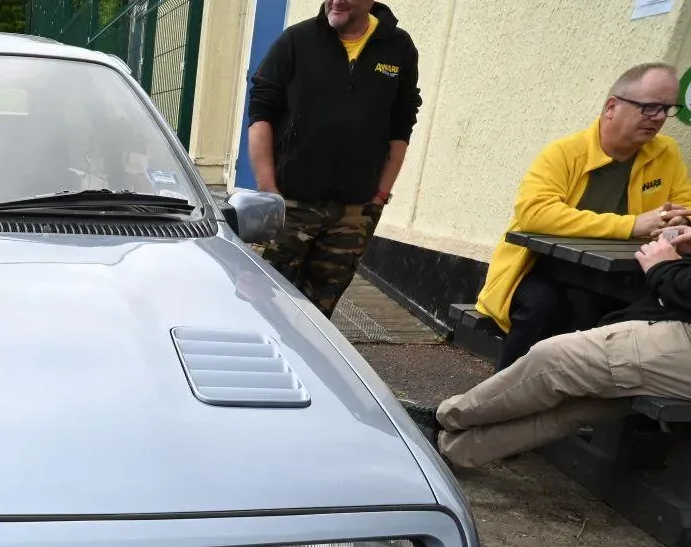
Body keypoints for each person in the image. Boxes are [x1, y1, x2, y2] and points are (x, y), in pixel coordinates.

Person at [404, 227, 691, 469]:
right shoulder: (567, 158)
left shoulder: (660, 159)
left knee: (554, 360)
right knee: (572, 407)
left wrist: (665, 268)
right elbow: (535, 212)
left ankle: (444, 417)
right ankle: (448, 447)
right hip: (673, 324)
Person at [476, 63, 691, 373]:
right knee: (544, 308)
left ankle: (582, 407)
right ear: (612, 107)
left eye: (666, 109)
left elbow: (683, 207)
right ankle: (496, 401)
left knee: (636, 320)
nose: (659, 117)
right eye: (649, 107)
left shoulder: (665, 153)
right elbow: (535, 213)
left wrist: (677, 226)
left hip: (624, 275)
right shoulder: (565, 153)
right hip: (538, 269)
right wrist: (631, 225)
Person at [245, 1, 421, 317]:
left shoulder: (399, 49)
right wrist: (269, 191)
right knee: (262, 305)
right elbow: (260, 112)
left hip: (354, 213)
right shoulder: (296, 41)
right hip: (290, 204)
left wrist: (379, 196)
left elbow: (402, 124)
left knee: (317, 316)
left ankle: (305, 364)